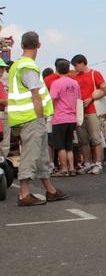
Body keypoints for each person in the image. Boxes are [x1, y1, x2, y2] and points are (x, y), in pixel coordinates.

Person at [8, 31, 70, 206]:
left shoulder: (17, 65)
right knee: (31, 154)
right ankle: (24, 194)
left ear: (22, 45)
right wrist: (40, 116)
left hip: (23, 117)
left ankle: (50, 190)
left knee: (42, 155)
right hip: (32, 117)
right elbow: (35, 94)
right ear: (39, 45)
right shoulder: (28, 66)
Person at [71, 54, 106, 175]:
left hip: (93, 110)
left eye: (76, 65)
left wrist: (91, 99)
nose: (75, 67)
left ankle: (98, 163)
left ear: (82, 63)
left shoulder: (95, 73)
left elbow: (104, 89)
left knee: (95, 138)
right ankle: (88, 163)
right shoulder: (75, 77)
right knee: (83, 139)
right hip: (80, 111)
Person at [49, 58, 81, 177]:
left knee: (60, 145)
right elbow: (79, 99)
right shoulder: (75, 83)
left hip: (59, 117)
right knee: (69, 145)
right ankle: (72, 168)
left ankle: (64, 168)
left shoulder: (56, 83)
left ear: (57, 70)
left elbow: (52, 99)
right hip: (72, 118)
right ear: (68, 69)